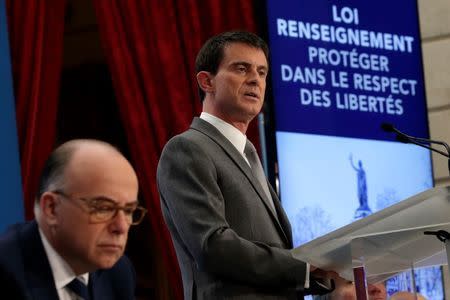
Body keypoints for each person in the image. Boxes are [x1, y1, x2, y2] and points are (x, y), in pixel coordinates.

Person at [157, 31, 336, 299]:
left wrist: (323, 271)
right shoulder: (188, 149)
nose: (255, 79)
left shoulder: (248, 153)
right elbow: (213, 246)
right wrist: (304, 266)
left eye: (262, 72)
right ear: (207, 81)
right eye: (241, 68)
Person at [0, 139, 147, 299]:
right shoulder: (7, 272)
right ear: (51, 208)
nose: (121, 227)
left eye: (128, 210)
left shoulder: (118, 272)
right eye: (104, 208)